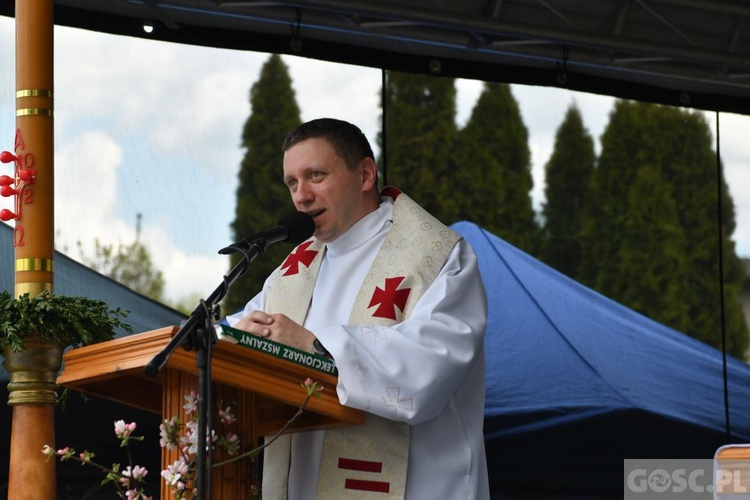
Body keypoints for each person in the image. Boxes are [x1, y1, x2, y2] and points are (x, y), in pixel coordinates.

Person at [227, 118, 489, 499]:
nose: (301, 196)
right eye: (292, 183)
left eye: (315, 175)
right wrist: (231, 338)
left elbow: (428, 367)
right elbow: (242, 329)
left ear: (366, 174)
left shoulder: (438, 257)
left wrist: (317, 346)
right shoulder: (295, 271)